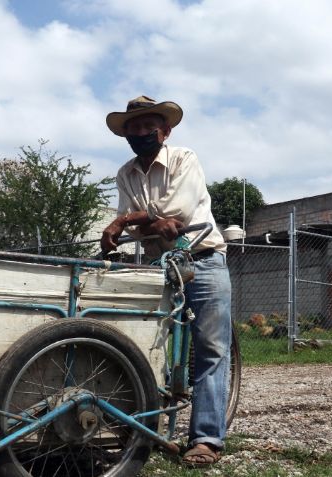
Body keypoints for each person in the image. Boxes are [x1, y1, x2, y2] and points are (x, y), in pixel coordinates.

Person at [100, 95, 232, 468]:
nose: (141, 133)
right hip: (160, 265)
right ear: (125, 135)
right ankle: (148, 426)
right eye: (133, 128)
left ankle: (206, 438)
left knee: (210, 351)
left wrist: (127, 222)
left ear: (165, 130)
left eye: (148, 126)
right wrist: (137, 222)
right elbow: (149, 228)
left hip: (203, 259)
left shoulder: (184, 159)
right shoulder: (125, 173)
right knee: (148, 344)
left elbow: (176, 216)